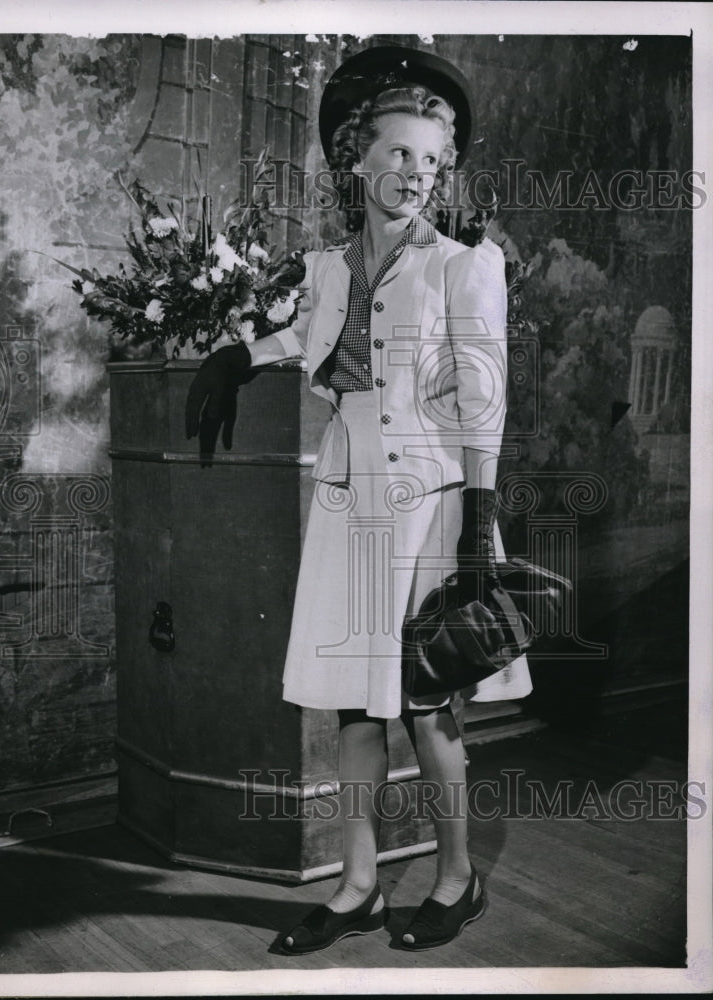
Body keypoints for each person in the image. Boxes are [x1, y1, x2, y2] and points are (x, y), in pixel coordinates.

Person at [185, 45, 531, 954]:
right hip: (348, 498)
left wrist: (477, 521)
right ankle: (359, 887)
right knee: (353, 706)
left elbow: (483, 396)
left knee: (426, 701)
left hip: (434, 501)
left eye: (432, 160)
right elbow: (308, 333)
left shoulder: (466, 265)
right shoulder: (329, 266)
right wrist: (240, 356)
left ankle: (457, 882)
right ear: (358, 160)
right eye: (399, 155)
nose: (417, 175)